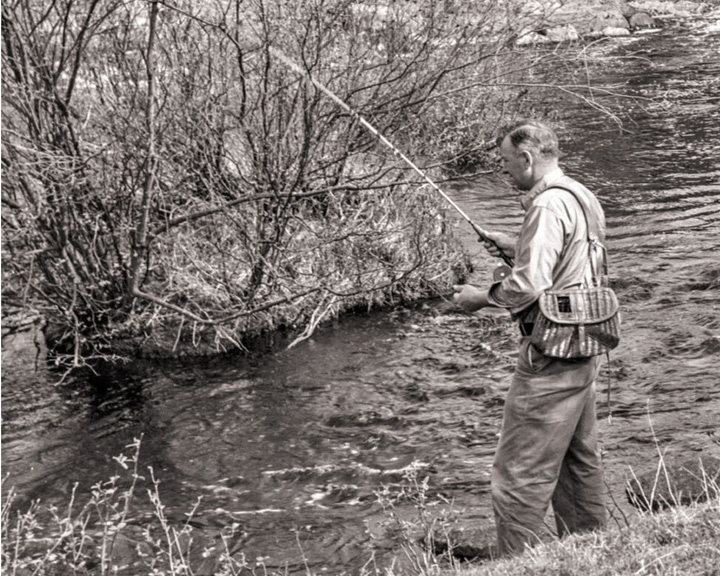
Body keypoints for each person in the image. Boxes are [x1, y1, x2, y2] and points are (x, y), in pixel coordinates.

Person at [453, 120, 607, 557]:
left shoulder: (545, 207)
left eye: (505, 162)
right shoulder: (581, 195)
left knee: (518, 471)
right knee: (578, 464)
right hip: (586, 343)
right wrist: (516, 243)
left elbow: (527, 287)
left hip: (551, 353)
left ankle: (515, 562)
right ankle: (590, 552)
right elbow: (571, 260)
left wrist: (479, 298)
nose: (504, 170)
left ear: (527, 158)